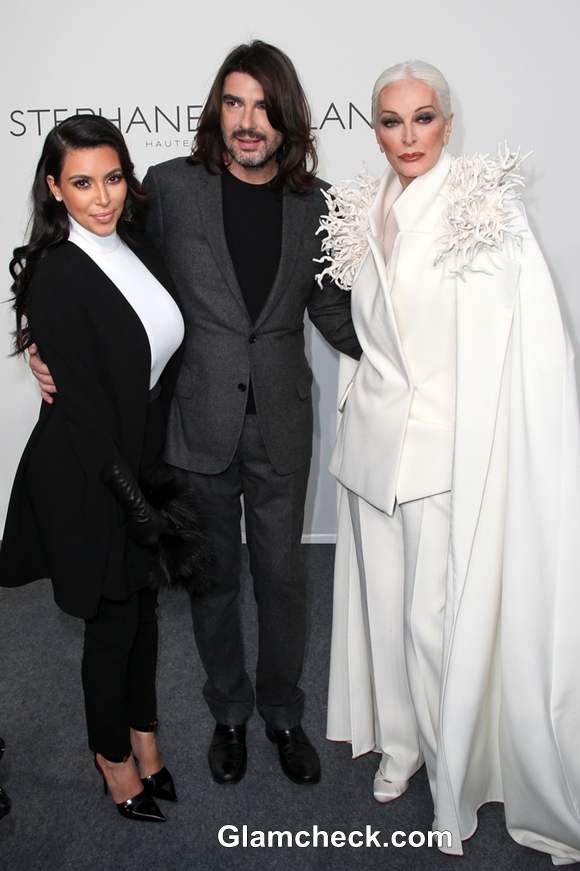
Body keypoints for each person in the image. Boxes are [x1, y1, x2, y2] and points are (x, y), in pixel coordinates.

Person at [28, 41, 361, 787]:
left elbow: (337, 314)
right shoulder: (170, 189)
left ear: (287, 119)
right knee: (211, 580)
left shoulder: (320, 205)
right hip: (193, 422)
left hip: (281, 423)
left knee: (283, 579)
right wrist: (38, 340)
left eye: (264, 107)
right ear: (218, 109)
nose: (248, 122)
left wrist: (411, 349)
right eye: (235, 103)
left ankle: (282, 711)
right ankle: (230, 715)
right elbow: (108, 272)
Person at [320, 61, 580, 864]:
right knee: (388, 615)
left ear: (447, 122)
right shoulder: (366, 206)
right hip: (373, 451)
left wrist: (493, 449)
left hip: (442, 456)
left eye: (422, 119)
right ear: (374, 129)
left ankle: (454, 776)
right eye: (391, 122)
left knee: (435, 627)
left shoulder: (482, 207)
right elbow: (361, 332)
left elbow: (520, 341)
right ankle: (400, 745)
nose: (407, 137)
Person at [0, 115, 187, 822]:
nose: (102, 196)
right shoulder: (57, 273)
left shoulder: (133, 245)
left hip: (137, 462)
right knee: (112, 625)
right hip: (88, 474)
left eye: (113, 177)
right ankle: (112, 758)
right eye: (82, 182)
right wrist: (132, 502)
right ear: (55, 188)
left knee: (143, 617)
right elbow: (81, 410)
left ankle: (145, 736)